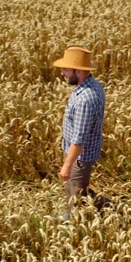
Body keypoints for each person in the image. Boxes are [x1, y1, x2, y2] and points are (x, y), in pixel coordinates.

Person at [53, 46, 106, 220]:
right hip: (78, 154)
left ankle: (72, 221)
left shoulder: (85, 98)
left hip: (79, 157)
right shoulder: (91, 85)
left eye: (66, 69)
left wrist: (68, 165)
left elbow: (79, 138)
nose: (62, 73)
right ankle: (101, 205)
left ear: (79, 71)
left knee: (75, 194)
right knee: (76, 187)